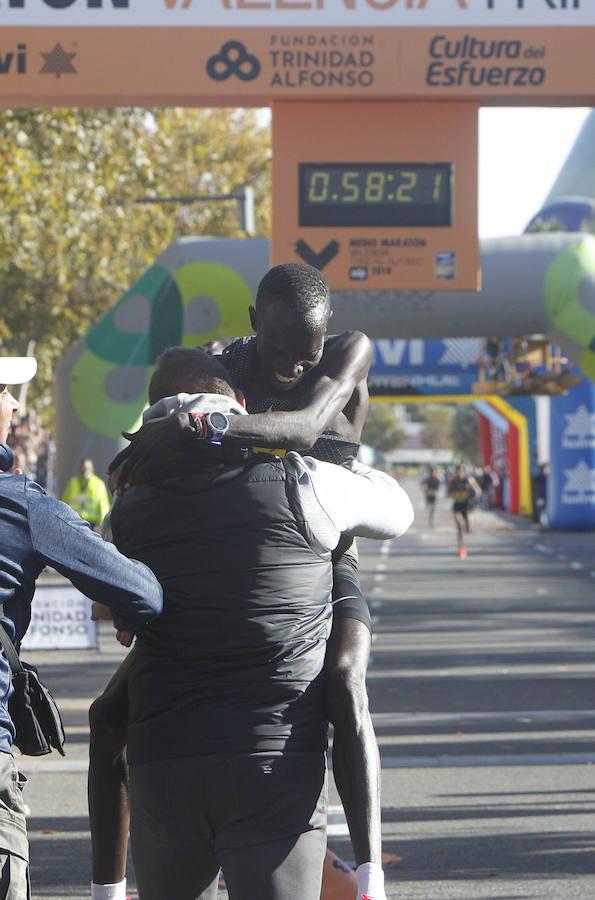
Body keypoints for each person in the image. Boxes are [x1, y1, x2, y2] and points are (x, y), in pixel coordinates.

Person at [89, 264, 390, 900]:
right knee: (111, 711)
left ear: (326, 333)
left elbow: (307, 427)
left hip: (328, 544)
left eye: (303, 354)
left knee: (341, 678)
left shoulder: (350, 352)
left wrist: (202, 426)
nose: (288, 366)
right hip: (245, 542)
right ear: (254, 324)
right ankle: (108, 887)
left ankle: (370, 872)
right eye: (275, 349)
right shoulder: (223, 365)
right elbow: (166, 430)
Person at [0, 357, 163, 900]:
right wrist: (129, 615)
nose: (17, 405)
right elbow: (142, 591)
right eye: (5, 391)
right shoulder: (20, 505)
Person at [62, 459, 111, 531]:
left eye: (87, 468)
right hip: (73, 521)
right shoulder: (73, 482)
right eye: (84, 467)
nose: (85, 470)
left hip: (91, 523)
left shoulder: (98, 484)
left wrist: (102, 524)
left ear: (92, 469)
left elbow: (103, 505)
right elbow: (65, 501)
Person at [447, 464, 480, 558]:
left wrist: (473, 500)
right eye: (457, 471)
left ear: (464, 472)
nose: (459, 473)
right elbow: (448, 494)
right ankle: (461, 549)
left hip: (467, 506)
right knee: (460, 528)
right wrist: (453, 494)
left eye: (461, 471)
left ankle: (468, 526)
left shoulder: (468, 480)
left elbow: (478, 491)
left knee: (468, 529)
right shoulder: (453, 481)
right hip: (457, 505)